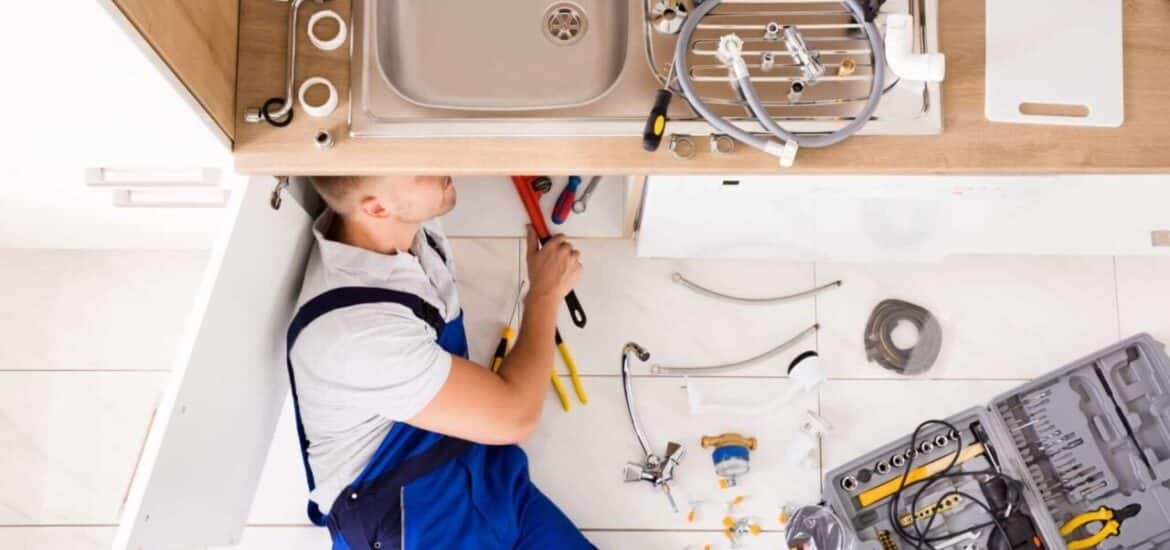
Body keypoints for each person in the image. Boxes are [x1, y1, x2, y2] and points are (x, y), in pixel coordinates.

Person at [285, 175, 593, 549]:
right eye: (423, 167)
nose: (444, 164)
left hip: (483, 478)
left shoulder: (401, 225)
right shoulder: (358, 333)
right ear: (376, 207)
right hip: (407, 522)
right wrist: (544, 294)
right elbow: (516, 415)